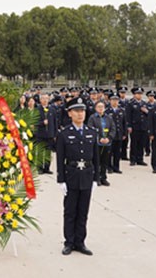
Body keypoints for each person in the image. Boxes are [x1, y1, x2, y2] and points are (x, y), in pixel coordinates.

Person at [56, 96, 99, 256]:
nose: (80, 114)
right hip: (71, 176)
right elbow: (60, 158)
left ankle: (80, 242)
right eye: (76, 111)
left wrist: (96, 179)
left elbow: (96, 158)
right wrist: (61, 180)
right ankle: (69, 242)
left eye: (82, 111)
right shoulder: (64, 133)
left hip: (87, 175)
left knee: (83, 211)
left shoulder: (91, 132)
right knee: (70, 211)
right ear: (69, 113)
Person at [87, 101, 116, 186]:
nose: (100, 108)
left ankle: (103, 177)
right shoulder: (92, 118)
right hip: (97, 143)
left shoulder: (108, 118)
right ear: (95, 108)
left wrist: (109, 138)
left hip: (107, 143)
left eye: (102, 107)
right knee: (97, 161)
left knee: (105, 161)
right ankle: (96, 178)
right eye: (98, 107)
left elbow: (113, 129)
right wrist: (99, 138)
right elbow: (90, 129)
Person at [126, 87, 149, 167]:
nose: (139, 95)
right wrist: (129, 126)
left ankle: (140, 159)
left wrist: (146, 111)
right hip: (134, 126)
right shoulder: (130, 103)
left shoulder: (144, 103)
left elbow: (148, 115)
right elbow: (128, 115)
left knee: (142, 143)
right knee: (134, 143)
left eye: (140, 94)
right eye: (137, 94)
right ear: (134, 95)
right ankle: (133, 159)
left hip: (143, 126)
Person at [36, 93, 57, 174]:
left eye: (46, 98)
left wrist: (55, 134)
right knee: (41, 151)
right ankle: (40, 168)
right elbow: (35, 122)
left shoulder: (52, 109)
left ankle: (47, 168)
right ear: (40, 100)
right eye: (43, 98)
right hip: (40, 134)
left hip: (50, 134)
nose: (45, 100)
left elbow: (55, 123)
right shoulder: (37, 109)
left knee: (48, 152)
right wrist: (42, 123)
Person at [107, 93, 127, 174]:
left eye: (116, 100)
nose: (115, 102)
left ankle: (116, 167)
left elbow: (124, 123)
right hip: (110, 135)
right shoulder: (107, 111)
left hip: (119, 134)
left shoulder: (122, 110)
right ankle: (109, 167)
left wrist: (124, 133)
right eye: (113, 100)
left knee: (117, 152)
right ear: (110, 101)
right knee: (109, 152)